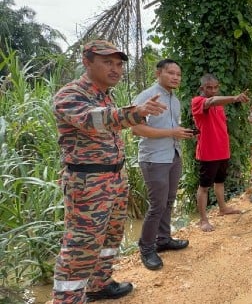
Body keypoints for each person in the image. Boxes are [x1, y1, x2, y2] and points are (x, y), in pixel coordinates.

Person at [52, 40, 167, 303]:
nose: (115, 69)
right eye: (107, 62)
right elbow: (92, 120)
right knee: (81, 246)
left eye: (118, 64)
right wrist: (135, 112)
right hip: (88, 181)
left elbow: (109, 116)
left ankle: (99, 285)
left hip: (114, 178)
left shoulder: (106, 95)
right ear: (87, 62)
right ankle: (68, 299)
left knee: (110, 237)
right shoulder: (70, 94)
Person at [132, 59, 193, 271]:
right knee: (157, 205)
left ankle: (164, 239)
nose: (176, 77)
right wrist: (171, 132)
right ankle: (147, 249)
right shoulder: (147, 97)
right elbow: (136, 130)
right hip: (154, 158)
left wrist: (180, 132)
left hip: (173, 155)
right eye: (171, 72)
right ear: (158, 73)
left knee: (169, 200)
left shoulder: (175, 100)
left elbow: (171, 127)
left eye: (178, 74)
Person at [191, 73, 250, 232]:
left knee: (220, 182)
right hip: (208, 152)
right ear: (202, 88)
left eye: (216, 87)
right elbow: (211, 101)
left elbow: (216, 103)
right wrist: (235, 98)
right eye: (209, 88)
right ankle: (203, 220)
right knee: (204, 187)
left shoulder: (220, 104)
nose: (213, 90)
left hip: (223, 150)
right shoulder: (198, 101)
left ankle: (223, 208)